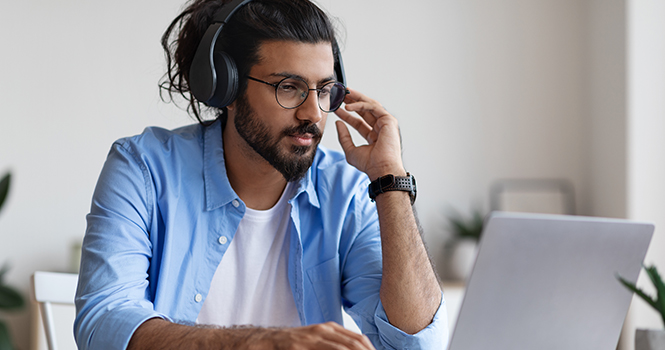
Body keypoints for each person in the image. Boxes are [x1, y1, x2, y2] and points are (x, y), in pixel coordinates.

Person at [74, 0, 447, 349]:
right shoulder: (143, 168)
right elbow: (105, 321)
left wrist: (389, 178)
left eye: (323, 90)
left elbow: (415, 341)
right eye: (289, 87)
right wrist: (260, 342)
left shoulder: (344, 191)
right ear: (226, 87)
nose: (314, 114)